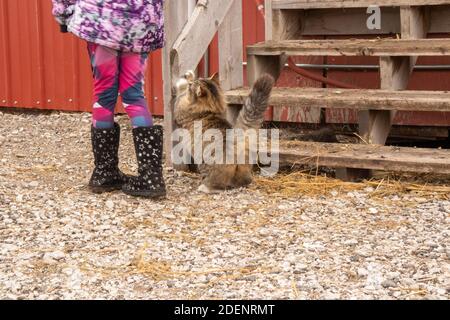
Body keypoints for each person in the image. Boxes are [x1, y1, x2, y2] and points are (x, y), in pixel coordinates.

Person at [51, 0, 166, 199]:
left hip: (101, 22)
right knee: (134, 95)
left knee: (104, 95)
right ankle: (150, 177)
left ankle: (105, 172)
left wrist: (63, 15)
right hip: (139, 23)